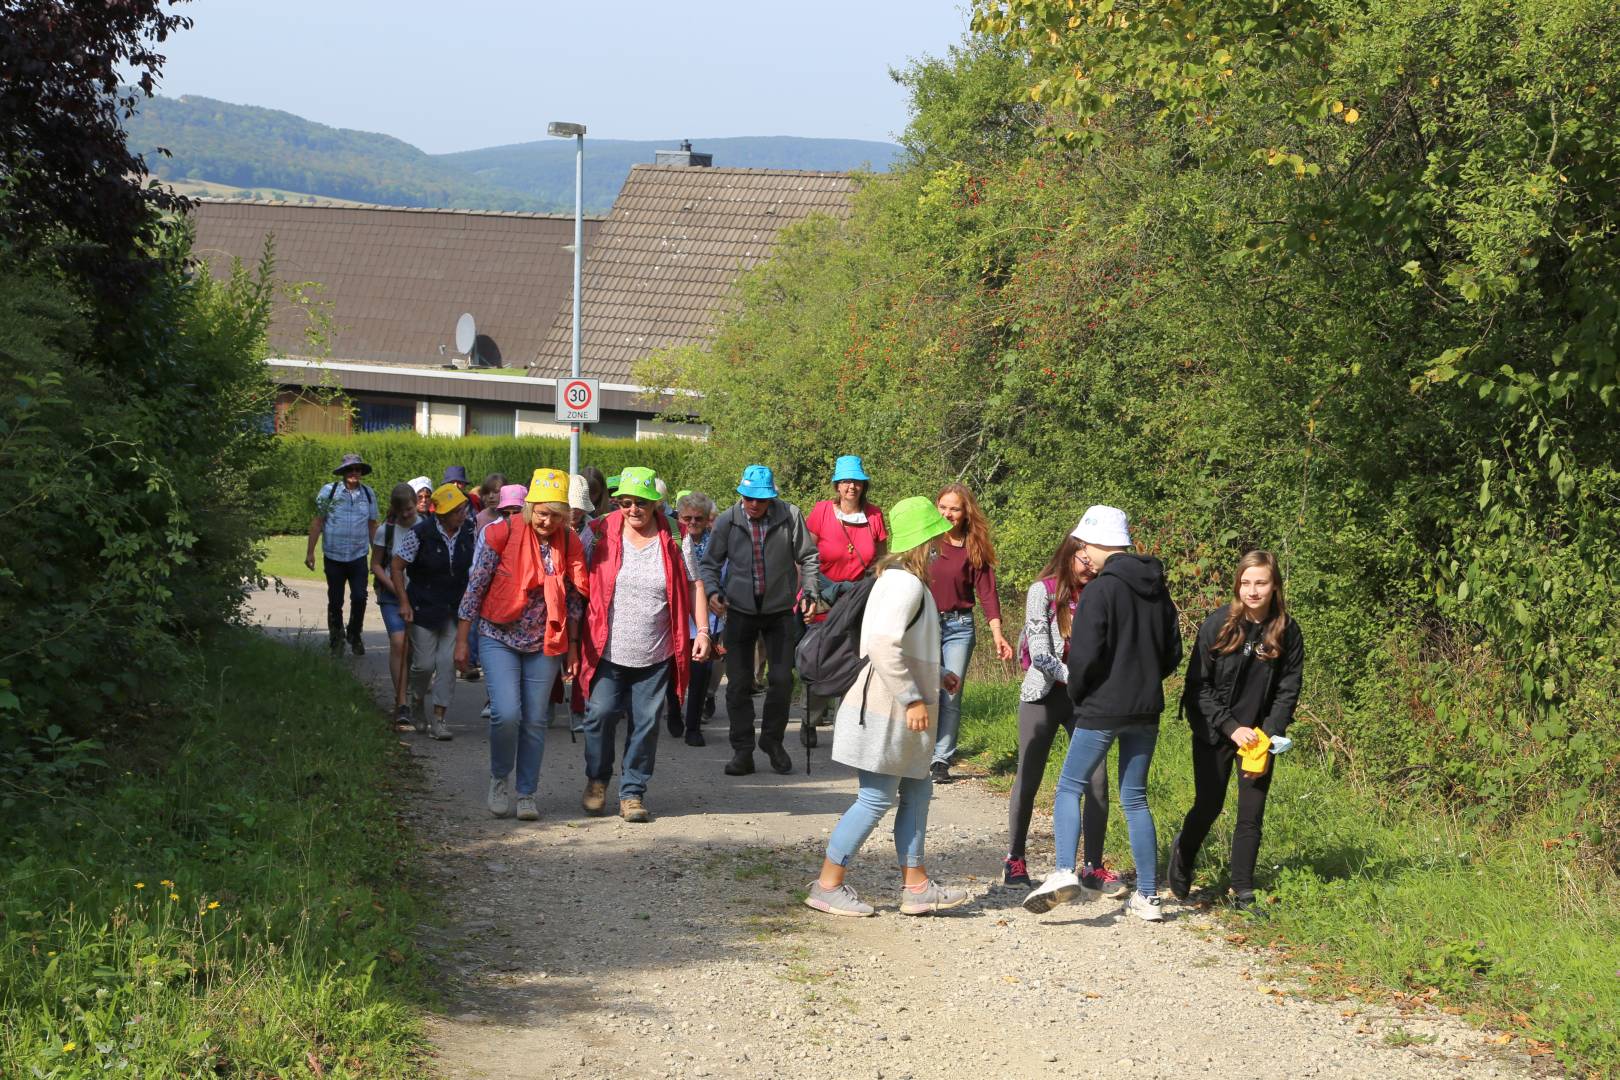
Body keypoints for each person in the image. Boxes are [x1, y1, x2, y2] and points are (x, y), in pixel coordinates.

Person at [805, 496, 970, 918]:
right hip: (886, 708)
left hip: (896, 707)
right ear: (924, 543)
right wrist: (913, 696)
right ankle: (827, 885)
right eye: (936, 540)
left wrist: (935, 678)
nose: (940, 548)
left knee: (917, 790)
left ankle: (916, 886)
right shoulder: (905, 583)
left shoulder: (898, 579)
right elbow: (882, 645)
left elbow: (904, 643)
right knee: (875, 798)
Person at [1024, 506, 1182, 922]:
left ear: (1100, 543)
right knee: (1135, 799)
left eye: (1086, 546)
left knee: (1068, 787)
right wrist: (1146, 680)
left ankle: (1062, 871)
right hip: (1146, 707)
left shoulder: (1100, 590)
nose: (1084, 555)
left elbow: (1087, 656)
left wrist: (1081, 690)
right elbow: (1172, 653)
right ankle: (1148, 896)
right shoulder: (1158, 587)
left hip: (1101, 707)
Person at [1168, 550, 1304, 911]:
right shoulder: (1218, 625)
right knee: (1209, 805)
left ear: (1274, 586)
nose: (1253, 590)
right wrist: (1231, 727)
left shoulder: (1286, 630)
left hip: (1259, 738)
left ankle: (1243, 890)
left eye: (1261, 582)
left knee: (1251, 814)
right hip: (1215, 730)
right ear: (1237, 585)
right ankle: (1183, 854)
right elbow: (1197, 688)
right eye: (1246, 583)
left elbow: (1288, 689)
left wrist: (1268, 732)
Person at [455, 469, 588, 822]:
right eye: (542, 513)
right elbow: (476, 585)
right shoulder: (501, 533)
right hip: (498, 634)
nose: (547, 521)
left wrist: (573, 647)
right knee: (506, 713)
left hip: (545, 640)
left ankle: (526, 792)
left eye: (556, 515)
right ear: (529, 509)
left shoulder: (569, 541)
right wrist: (461, 641)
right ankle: (500, 779)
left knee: (535, 720)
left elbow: (574, 599)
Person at [579, 467, 711, 822]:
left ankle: (632, 792)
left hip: (656, 650)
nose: (633, 509)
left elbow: (696, 584)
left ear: (656, 504)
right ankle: (597, 779)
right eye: (625, 502)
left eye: (641, 503)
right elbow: (576, 578)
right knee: (600, 714)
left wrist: (702, 631)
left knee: (646, 722)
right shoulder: (599, 532)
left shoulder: (674, 535)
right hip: (606, 648)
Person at [1003, 533, 1127, 896]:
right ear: (1070, 554)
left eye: (1094, 561)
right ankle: (1015, 858)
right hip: (1043, 694)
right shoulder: (1042, 591)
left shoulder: (1104, 593)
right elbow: (1041, 653)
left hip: (1087, 703)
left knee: (1097, 782)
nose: (1089, 568)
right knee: (1029, 774)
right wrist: (1079, 678)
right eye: (1083, 560)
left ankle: (1093, 866)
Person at [698, 465, 822, 777]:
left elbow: (808, 557)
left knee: (781, 680)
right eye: (749, 498)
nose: (754, 504)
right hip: (739, 612)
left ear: (771, 498)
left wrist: (809, 592)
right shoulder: (728, 520)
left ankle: (772, 741)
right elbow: (710, 564)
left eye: (761, 499)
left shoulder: (790, 516)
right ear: (741, 495)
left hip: (779, 612)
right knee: (738, 684)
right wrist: (713, 591)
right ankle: (742, 751)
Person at [802, 455, 889, 747]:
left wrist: (871, 590)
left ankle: (846, 724)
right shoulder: (822, 512)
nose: (851, 486)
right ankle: (810, 719)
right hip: (825, 596)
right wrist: (813, 592)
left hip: (859, 598)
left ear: (863, 485)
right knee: (821, 657)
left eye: (856, 481)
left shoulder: (874, 515)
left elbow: (880, 560)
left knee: (854, 659)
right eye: (845, 481)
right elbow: (804, 557)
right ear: (837, 485)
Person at [928, 483, 1013, 782]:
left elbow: (988, 593)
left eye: (955, 508)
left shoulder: (974, 545)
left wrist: (998, 634)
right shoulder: (927, 540)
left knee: (951, 693)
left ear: (966, 513)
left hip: (958, 626)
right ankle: (918, 751)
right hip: (924, 623)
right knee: (924, 688)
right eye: (943, 507)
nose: (948, 513)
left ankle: (941, 759)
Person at [394, 483, 476, 741]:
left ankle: (439, 719)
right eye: (456, 511)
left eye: (463, 509)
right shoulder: (420, 533)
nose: (462, 514)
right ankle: (417, 703)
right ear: (441, 514)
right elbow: (397, 567)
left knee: (446, 664)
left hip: (453, 609)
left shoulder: (469, 532)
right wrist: (404, 602)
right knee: (424, 665)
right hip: (424, 608)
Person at [304, 452, 379, 657]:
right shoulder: (330, 492)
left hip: (358, 555)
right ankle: (336, 639)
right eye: (350, 469)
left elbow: (372, 526)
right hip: (334, 555)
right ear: (344, 472)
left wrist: (377, 558)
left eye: (357, 469)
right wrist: (310, 552)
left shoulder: (369, 494)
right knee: (335, 600)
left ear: (361, 472)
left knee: (360, 597)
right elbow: (318, 522)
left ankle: (354, 634)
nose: (354, 473)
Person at [371, 482, 420, 731]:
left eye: (410, 509)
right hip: (391, 595)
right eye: (402, 511)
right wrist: (394, 587)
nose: (406, 515)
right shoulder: (385, 531)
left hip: (419, 596)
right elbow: (376, 564)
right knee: (399, 642)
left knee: (413, 650)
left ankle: (409, 688)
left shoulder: (424, 527)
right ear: (394, 509)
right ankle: (401, 703)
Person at [675, 491, 722, 746]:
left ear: (707, 520)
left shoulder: (717, 541)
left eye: (698, 518)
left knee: (701, 670)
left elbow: (725, 571)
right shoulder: (672, 539)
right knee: (673, 669)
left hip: (707, 617)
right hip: (676, 615)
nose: (692, 523)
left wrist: (718, 595)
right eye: (687, 518)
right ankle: (673, 710)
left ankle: (693, 726)